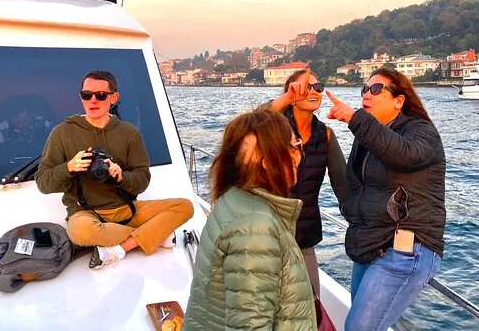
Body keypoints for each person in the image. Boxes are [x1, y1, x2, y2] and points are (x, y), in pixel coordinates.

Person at [35, 70, 194, 269]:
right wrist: (69, 167)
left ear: (113, 97)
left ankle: (121, 247)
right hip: (86, 213)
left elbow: (142, 179)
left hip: (126, 209)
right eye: (87, 95)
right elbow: (43, 183)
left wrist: (120, 177)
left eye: (101, 95)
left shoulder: (129, 133)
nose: (93, 100)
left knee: (185, 206)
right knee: (79, 231)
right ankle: (155, 235)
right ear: (81, 97)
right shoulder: (62, 133)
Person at [326, 67, 446, 331]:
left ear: (399, 101)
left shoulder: (422, 132)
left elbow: (404, 154)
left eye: (376, 89)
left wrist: (355, 119)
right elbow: (356, 187)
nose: (367, 94)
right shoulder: (367, 138)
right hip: (371, 243)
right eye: (364, 89)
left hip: (405, 249)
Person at [184, 108, 316, 330]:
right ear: (267, 162)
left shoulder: (234, 200)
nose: (298, 157)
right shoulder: (255, 227)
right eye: (295, 147)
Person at [268, 68, 348, 296]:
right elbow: (250, 122)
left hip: (304, 236)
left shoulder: (326, 135)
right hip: (268, 234)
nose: (314, 91)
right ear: (291, 96)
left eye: (318, 87)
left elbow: (343, 186)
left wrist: (363, 225)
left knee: (313, 302)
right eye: (306, 87)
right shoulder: (272, 129)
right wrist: (285, 99)